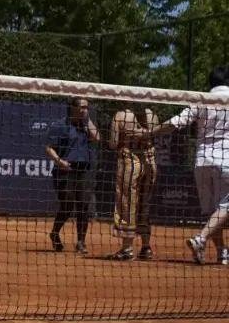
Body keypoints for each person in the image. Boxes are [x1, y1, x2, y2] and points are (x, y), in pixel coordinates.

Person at [145, 65, 229, 266]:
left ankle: (222, 253)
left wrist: (149, 133)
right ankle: (201, 238)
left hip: (202, 161)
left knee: (211, 210)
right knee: (224, 207)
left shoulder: (201, 99)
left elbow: (175, 123)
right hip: (226, 160)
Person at [45, 97, 100, 255]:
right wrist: (59, 161)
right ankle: (55, 233)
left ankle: (81, 242)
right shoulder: (60, 125)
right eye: (82, 107)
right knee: (67, 205)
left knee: (83, 206)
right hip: (64, 170)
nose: (85, 110)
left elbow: (97, 138)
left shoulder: (86, 125)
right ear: (74, 108)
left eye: (87, 107)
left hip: (83, 170)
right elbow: (48, 148)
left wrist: (88, 121)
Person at [107, 103, 159, 260]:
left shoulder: (120, 115)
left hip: (129, 161)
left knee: (127, 203)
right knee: (144, 204)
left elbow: (113, 143)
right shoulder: (153, 115)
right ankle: (146, 247)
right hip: (150, 162)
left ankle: (127, 248)